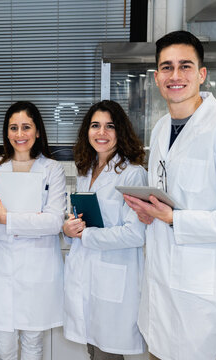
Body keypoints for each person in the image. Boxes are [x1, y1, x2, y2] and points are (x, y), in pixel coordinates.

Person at [123, 31, 216, 360]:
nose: (175, 76)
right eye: (167, 67)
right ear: (157, 77)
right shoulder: (161, 129)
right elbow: (167, 192)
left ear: (202, 74)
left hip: (198, 293)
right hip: (159, 288)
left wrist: (175, 219)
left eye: (185, 66)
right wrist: (149, 212)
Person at [0, 101, 66, 360]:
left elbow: (54, 222)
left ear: (37, 132)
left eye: (26, 127)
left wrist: (8, 219)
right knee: (3, 347)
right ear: (6, 132)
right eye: (13, 128)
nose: (20, 134)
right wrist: (30, 224)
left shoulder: (52, 169)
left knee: (34, 344)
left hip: (37, 269)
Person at [63, 100, 146, 360]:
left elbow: (135, 234)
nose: (101, 133)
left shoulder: (133, 174)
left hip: (114, 277)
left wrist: (86, 235)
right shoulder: (87, 170)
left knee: (107, 353)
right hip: (87, 272)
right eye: (95, 126)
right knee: (93, 349)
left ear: (121, 132)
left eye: (110, 126)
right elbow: (83, 217)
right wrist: (69, 227)